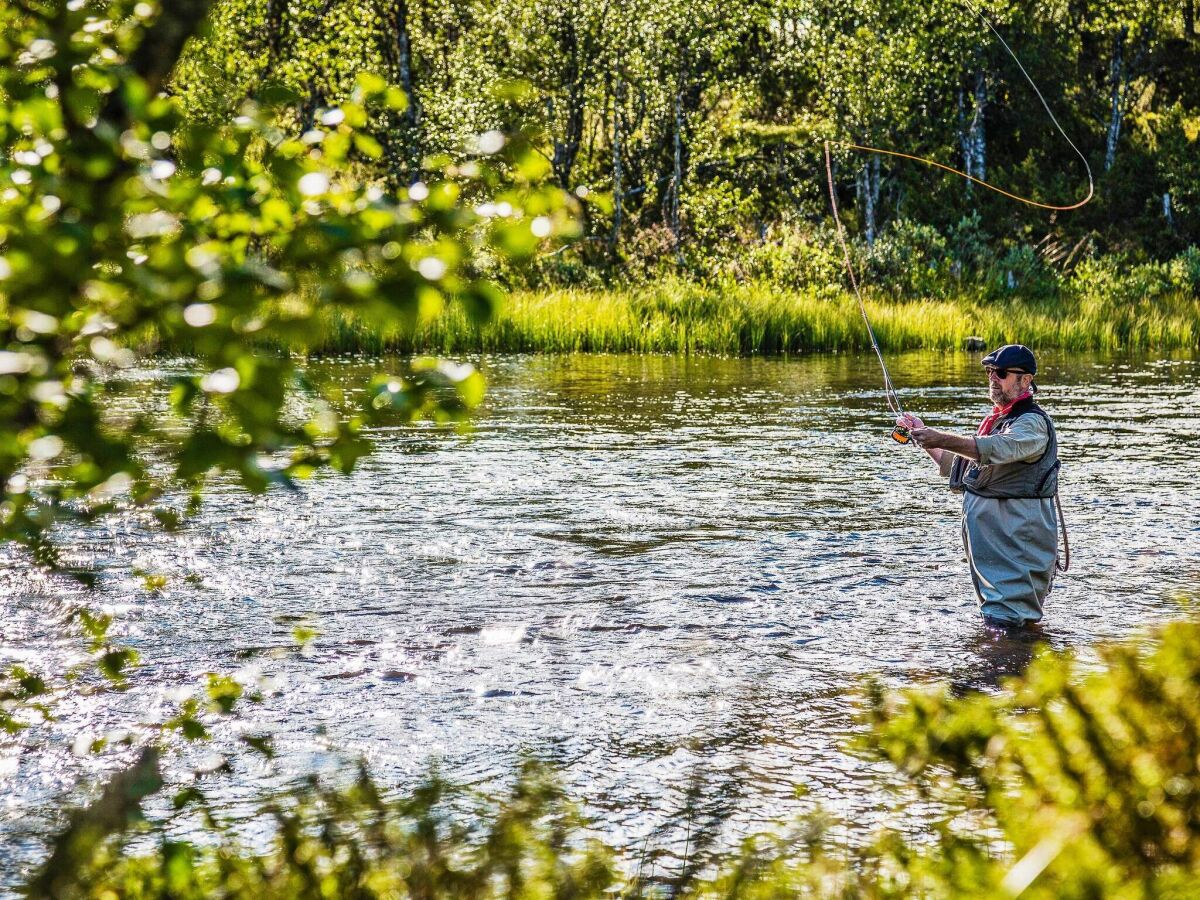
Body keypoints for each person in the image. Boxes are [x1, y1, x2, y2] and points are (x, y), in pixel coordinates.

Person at [897, 345, 1061, 629]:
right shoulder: (997, 423)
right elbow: (959, 467)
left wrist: (941, 438)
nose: (992, 378)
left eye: (1001, 373)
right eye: (989, 372)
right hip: (996, 559)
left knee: (1008, 628)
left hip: (1015, 551)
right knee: (1003, 627)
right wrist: (923, 435)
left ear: (1025, 379)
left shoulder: (1031, 424)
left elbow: (996, 448)